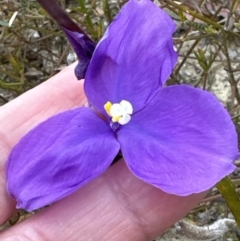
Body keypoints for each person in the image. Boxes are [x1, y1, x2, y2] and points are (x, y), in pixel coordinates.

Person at [0, 63, 206, 240]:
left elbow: (205, 155)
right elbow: (30, 180)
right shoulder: (92, 132)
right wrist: (26, 187)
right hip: (95, 128)